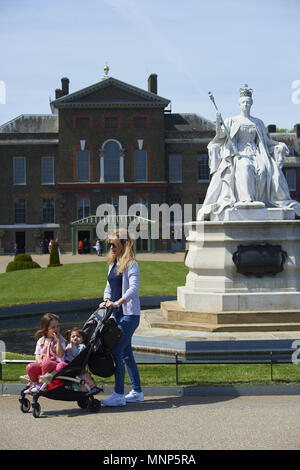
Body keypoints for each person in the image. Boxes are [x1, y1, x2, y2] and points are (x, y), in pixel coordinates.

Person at [198, 85, 300, 220]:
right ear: (239, 104)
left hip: (256, 152)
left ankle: (262, 200)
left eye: (248, 102)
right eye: (243, 102)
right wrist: (218, 121)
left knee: (264, 170)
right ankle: (247, 200)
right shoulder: (232, 120)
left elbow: (266, 141)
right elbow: (221, 135)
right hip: (238, 152)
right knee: (246, 167)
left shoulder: (258, 122)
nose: (245, 104)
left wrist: (279, 145)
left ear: (251, 103)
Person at [100, 229, 144, 406]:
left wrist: (117, 303)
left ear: (124, 245)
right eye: (109, 244)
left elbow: (133, 290)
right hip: (117, 314)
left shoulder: (131, 264)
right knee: (126, 354)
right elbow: (108, 286)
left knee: (116, 350)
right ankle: (137, 391)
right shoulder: (113, 264)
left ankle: (119, 394)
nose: (111, 247)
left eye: (114, 244)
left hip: (129, 315)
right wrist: (106, 300)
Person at [25, 313, 67, 393]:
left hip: (56, 364)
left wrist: (58, 341)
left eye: (57, 326)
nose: (56, 329)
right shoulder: (41, 341)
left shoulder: (61, 340)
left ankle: (43, 383)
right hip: (44, 364)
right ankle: (35, 384)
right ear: (46, 329)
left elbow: (60, 355)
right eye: (53, 327)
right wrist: (38, 360)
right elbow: (37, 354)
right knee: (30, 367)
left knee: (50, 364)